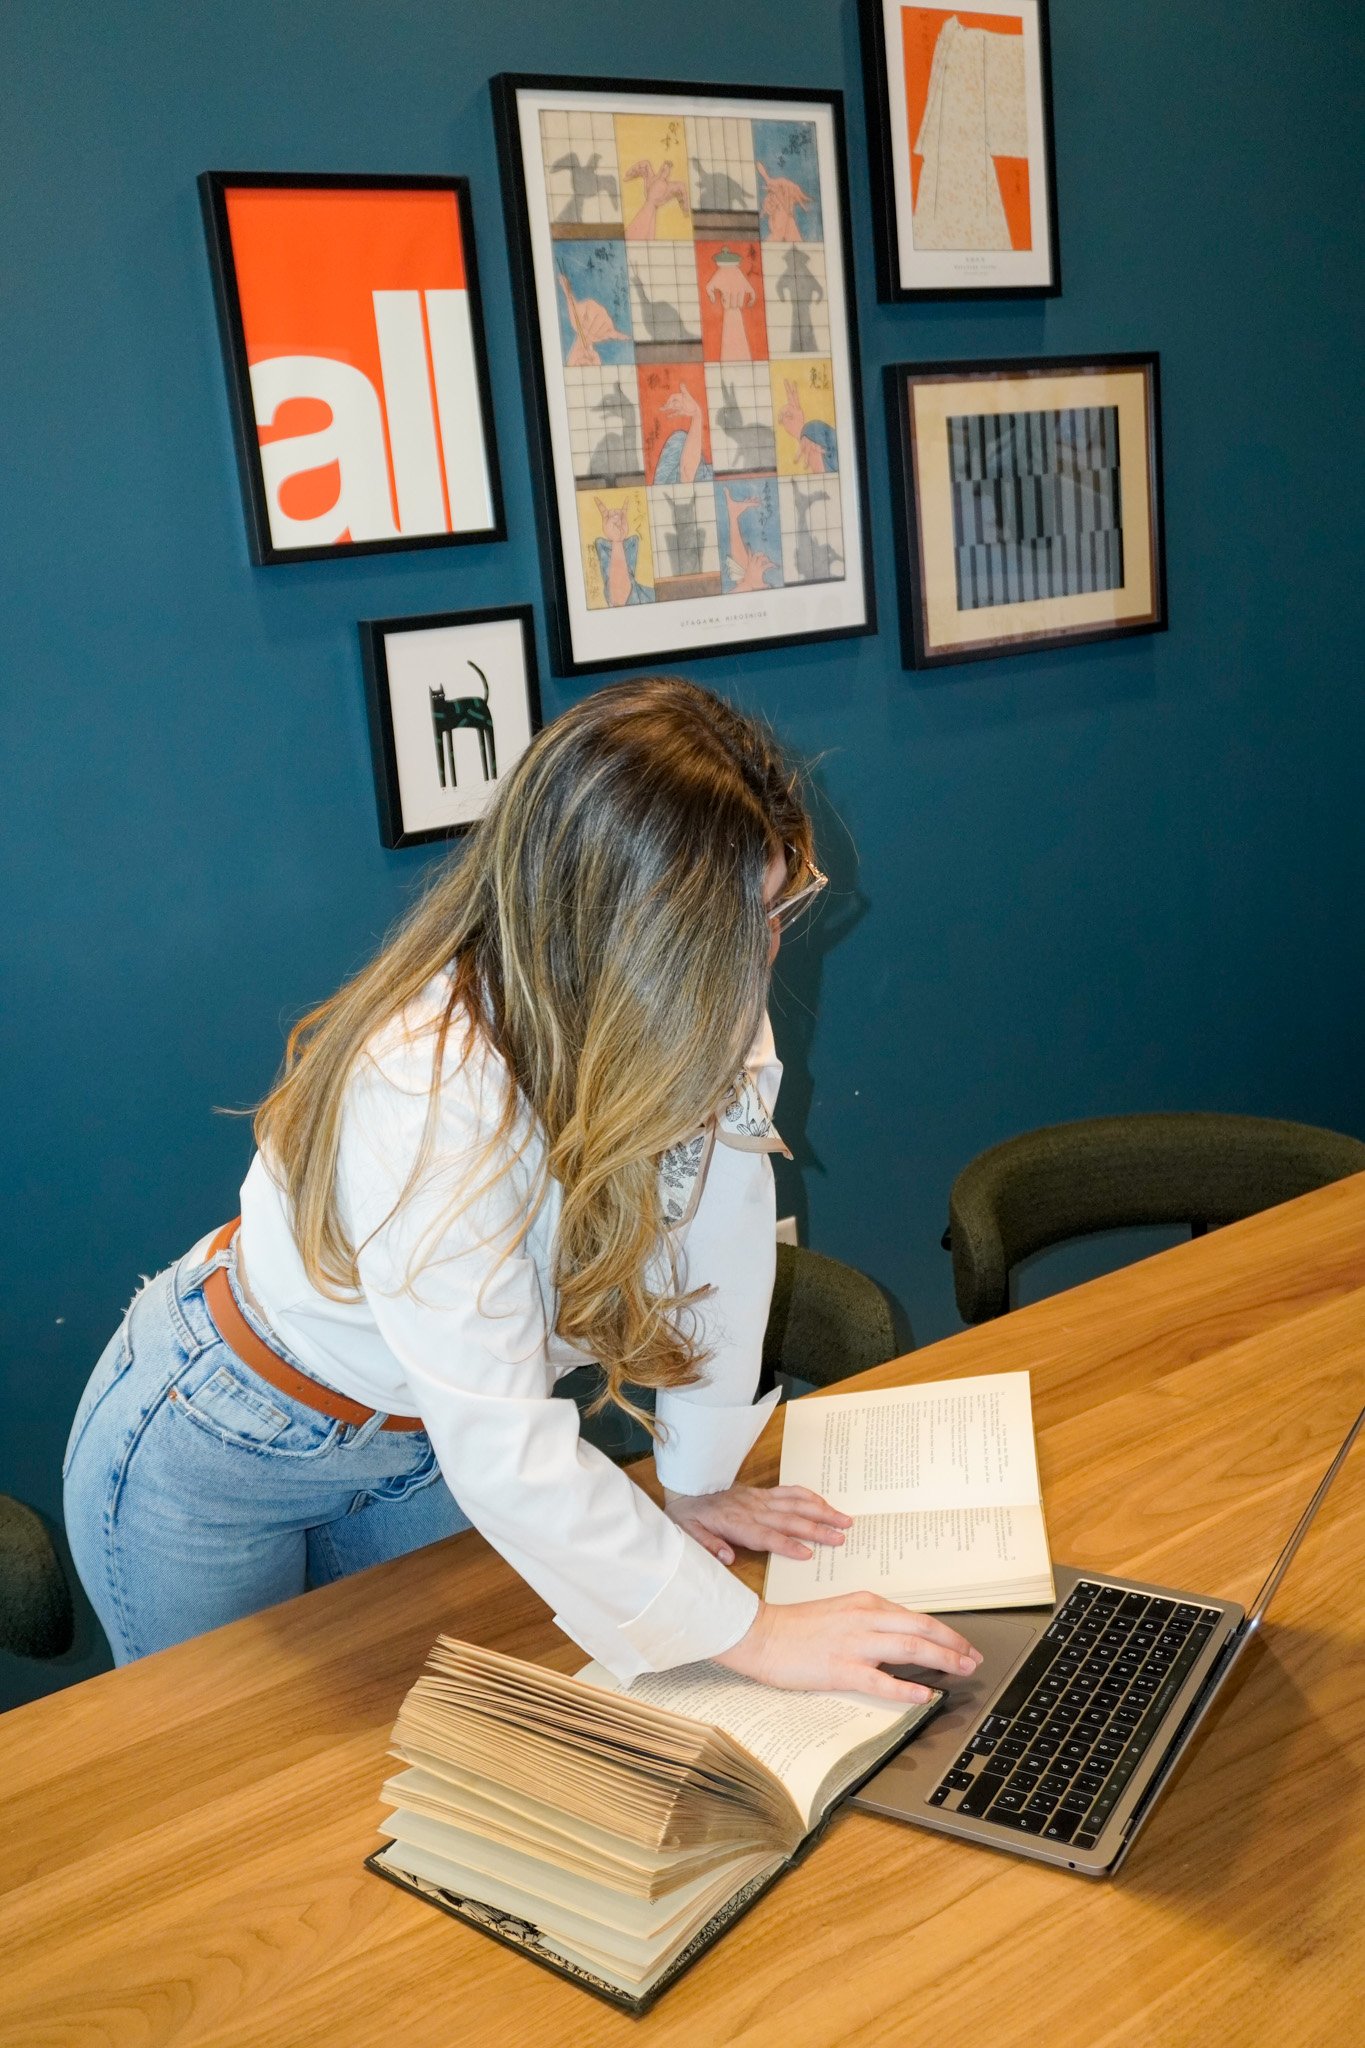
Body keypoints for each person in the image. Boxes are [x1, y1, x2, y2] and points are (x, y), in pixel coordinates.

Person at [63, 677, 981, 1703]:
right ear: (625, 929)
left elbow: (718, 1236)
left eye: (774, 908)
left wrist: (697, 1479)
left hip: (422, 1439)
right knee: (211, 1758)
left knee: (436, 1728)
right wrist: (755, 1633)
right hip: (226, 1436)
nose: (767, 949)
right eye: (740, 924)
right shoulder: (428, 1080)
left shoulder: (697, 999)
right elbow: (507, 1452)